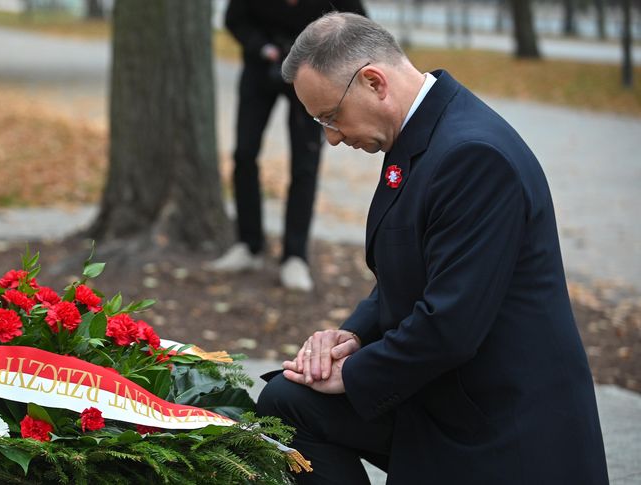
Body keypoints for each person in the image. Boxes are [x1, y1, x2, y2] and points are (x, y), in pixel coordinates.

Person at [257, 12, 609, 485]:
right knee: (286, 403)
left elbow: (451, 325)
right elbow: (413, 272)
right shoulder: (424, 133)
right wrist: (353, 337)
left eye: (331, 117)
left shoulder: (473, 155)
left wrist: (355, 374)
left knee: (300, 400)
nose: (332, 138)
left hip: (499, 422)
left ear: (374, 82)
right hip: (445, 391)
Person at [208, 0, 367, 292]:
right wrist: (261, 47)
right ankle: (249, 245)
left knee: (305, 163)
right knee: (244, 154)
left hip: (312, 75)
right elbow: (234, 18)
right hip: (260, 68)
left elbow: (356, 24)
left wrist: (321, 58)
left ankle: (295, 256)